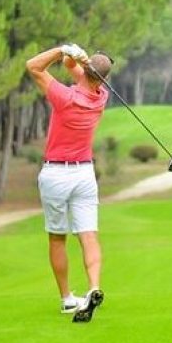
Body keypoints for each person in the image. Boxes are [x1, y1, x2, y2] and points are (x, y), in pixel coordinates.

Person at [25, 44, 113, 322]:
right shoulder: (102, 97)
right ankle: (94, 288)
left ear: (86, 70)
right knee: (88, 235)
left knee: (57, 238)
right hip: (85, 174)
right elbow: (74, 70)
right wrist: (75, 59)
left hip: (56, 175)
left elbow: (33, 66)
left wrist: (62, 49)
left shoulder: (64, 96)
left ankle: (66, 299)